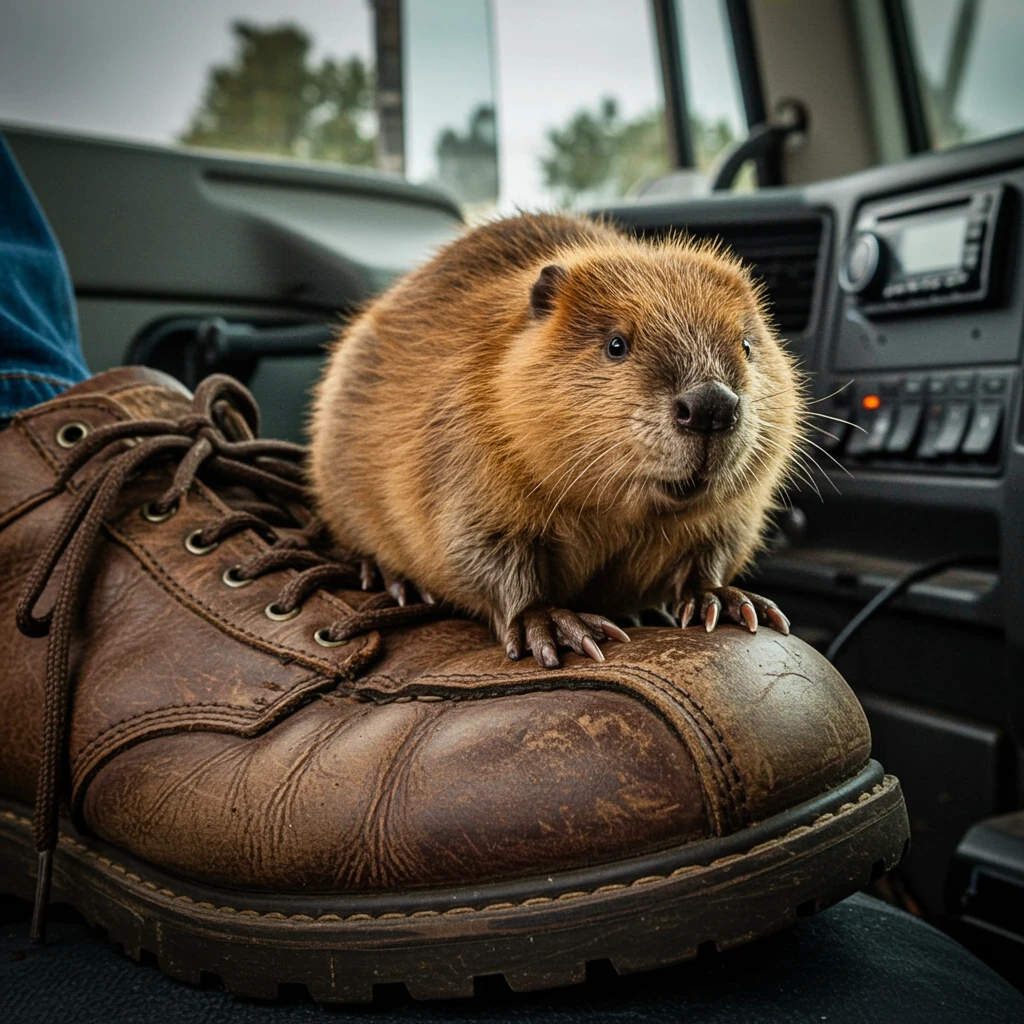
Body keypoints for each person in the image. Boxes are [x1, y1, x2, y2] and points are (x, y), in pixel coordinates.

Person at [1, 133, 1021, 1020]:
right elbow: (473, 526)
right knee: (398, 436)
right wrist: (516, 597)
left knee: (712, 530)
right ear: (554, 330)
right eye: (620, 349)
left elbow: (736, 494)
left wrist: (709, 569)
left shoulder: (747, 417)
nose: (712, 404)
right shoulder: (491, 417)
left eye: (742, 359)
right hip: (444, 501)